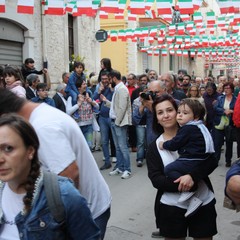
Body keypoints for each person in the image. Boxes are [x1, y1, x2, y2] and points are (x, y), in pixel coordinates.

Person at [0, 89, 111, 239]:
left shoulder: (42, 127)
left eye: (8, 148)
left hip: (85, 214)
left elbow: (69, 175)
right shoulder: (40, 113)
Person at [146, 94, 217, 239]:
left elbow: (212, 159)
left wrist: (193, 177)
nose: (166, 115)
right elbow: (156, 178)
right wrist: (182, 185)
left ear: (178, 111)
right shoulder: (154, 147)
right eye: (160, 113)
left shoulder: (196, 132)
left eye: (170, 110)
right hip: (172, 206)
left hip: (202, 201)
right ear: (157, 119)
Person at [158, 98, 215, 217]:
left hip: (191, 160)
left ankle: (191, 188)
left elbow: (174, 144)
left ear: (195, 117)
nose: (180, 116)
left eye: (185, 113)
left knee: (169, 169)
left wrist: (164, 144)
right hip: (199, 160)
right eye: (179, 112)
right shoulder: (200, 127)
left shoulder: (187, 128)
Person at [102, 70, 132, 179]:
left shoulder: (122, 89)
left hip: (119, 122)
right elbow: (116, 107)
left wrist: (117, 122)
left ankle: (127, 170)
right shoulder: (117, 89)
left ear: (114, 78)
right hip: (115, 121)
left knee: (123, 147)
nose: (109, 81)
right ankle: (120, 167)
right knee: (118, 147)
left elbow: (122, 108)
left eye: (109, 79)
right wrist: (106, 101)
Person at [93, 71, 115, 170]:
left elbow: (117, 101)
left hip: (112, 117)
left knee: (115, 139)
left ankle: (120, 162)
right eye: (103, 79)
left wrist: (112, 90)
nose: (105, 81)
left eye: (106, 79)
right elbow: (93, 99)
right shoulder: (99, 88)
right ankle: (107, 161)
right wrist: (98, 92)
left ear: (109, 79)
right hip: (102, 117)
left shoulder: (113, 88)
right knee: (104, 141)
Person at [213, 82, 237, 167]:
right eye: (225, 88)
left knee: (229, 142)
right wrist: (224, 111)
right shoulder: (220, 98)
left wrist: (231, 111)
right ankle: (216, 159)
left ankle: (228, 160)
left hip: (230, 124)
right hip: (219, 123)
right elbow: (215, 108)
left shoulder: (236, 99)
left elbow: (237, 110)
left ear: (232, 89)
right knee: (218, 143)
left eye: (228, 88)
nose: (226, 90)